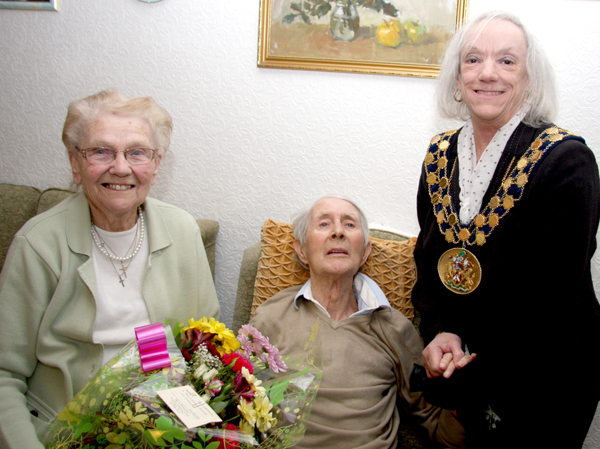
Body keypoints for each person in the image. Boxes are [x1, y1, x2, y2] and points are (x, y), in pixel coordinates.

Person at [412, 10, 600, 449]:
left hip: (548, 372)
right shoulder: (439, 154)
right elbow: (429, 258)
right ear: (457, 80)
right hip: (468, 361)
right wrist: (441, 330)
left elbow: (551, 293)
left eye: (507, 61)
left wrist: (467, 359)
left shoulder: (566, 160)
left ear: (530, 79)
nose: (488, 73)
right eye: (473, 60)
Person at [0, 89, 221, 448]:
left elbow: (206, 344)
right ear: (75, 163)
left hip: (163, 428)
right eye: (101, 151)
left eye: (137, 152)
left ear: (156, 163)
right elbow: (4, 374)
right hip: (65, 433)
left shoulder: (182, 231)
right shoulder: (39, 243)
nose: (120, 167)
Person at [251, 196, 465, 449]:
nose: (338, 232)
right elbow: (235, 399)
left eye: (350, 225)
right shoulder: (270, 317)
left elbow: (436, 423)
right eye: (323, 224)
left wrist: (461, 396)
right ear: (301, 250)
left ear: (365, 252)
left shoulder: (394, 328)